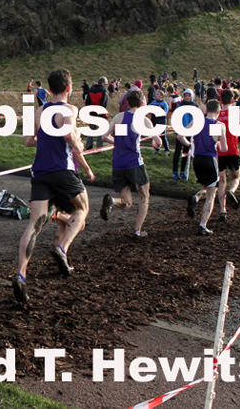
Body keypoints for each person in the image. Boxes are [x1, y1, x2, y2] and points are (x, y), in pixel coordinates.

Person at [12, 69, 95, 303]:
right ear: (69, 89)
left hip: (40, 171)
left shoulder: (39, 110)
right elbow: (69, 135)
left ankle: (21, 274)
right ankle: (62, 249)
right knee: (82, 209)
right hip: (62, 169)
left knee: (35, 223)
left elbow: (29, 141)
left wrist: (47, 135)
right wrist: (85, 162)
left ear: (48, 90)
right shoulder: (70, 109)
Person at [100, 90, 162, 237]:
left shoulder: (119, 117)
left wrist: (116, 141)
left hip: (118, 164)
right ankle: (137, 230)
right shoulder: (144, 120)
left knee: (127, 202)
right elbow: (158, 142)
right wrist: (155, 145)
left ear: (128, 102)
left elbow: (104, 137)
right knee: (144, 197)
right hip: (134, 163)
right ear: (142, 104)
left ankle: (112, 201)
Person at [182, 99, 229, 235]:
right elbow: (225, 148)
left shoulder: (198, 121)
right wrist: (218, 144)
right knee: (211, 195)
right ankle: (202, 225)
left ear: (206, 109)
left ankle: (196, 198)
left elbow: (180, 135)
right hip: (210, 159)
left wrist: (190, 145)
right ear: (218, 111)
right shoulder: (218, 125)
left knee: (207, 188)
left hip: (197, 159)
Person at [216, 89, 240, 221]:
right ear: (233, 100)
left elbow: (214, 135)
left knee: (221, 182)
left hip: (220, 151)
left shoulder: (217, 114)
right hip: (233, 150)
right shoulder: (236, 113)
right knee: (236, 177)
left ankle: (223, 210)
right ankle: (231, 191)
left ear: (221, 100)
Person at [171, 88, 197, 181]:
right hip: (181, 131)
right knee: (177, 152)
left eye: (189, 95)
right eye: (185, 95)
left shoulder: (195, 106)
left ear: (191, 96)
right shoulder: (180, 106)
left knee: (185, 152)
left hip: (190, 133)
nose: (187, 97)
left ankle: (182, 171)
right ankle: (175, 171)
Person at [84, 77, 109, 150]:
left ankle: (88, 146)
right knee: (101, 132)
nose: (106, 85)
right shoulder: (104, 91)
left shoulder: (90, 90)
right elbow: (104, 104)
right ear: (103, 83)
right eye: (106, 84)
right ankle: (99, 148)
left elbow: (87, 103)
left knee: (91, 131)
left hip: (91, 113)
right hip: (101, 114)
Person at [149, 89, 170, 156]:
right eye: (156, 94)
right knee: (155, 136)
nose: (156, 96)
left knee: (163, 136)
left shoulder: (164, 104)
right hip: (154, 121)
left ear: (162, 96)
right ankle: (156, 149)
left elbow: (165, 112)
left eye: (158, 94)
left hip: (161, 122)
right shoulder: (153, 103)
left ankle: (167, 150)